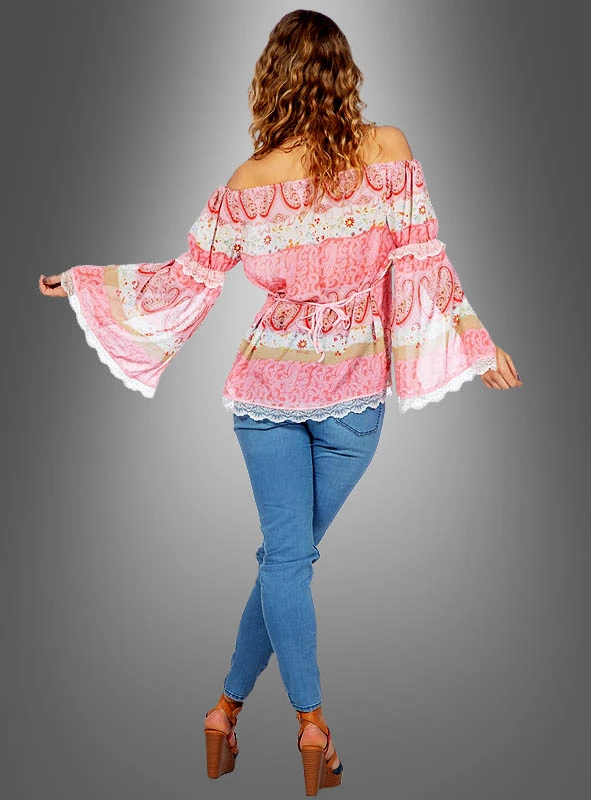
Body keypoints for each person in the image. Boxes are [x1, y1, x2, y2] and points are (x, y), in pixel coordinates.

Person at [38, 9, 522, 796]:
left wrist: (87, 284)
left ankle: (225, 711)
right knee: (289, 563)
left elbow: (183, 281)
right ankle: (311, 725)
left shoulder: (248, 182)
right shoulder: (388, 150)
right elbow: (426, 261)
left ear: (270, 81)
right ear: (344, 74)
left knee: (282, 564)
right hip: (351, 398)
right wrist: (478, 343)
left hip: (262, 392)